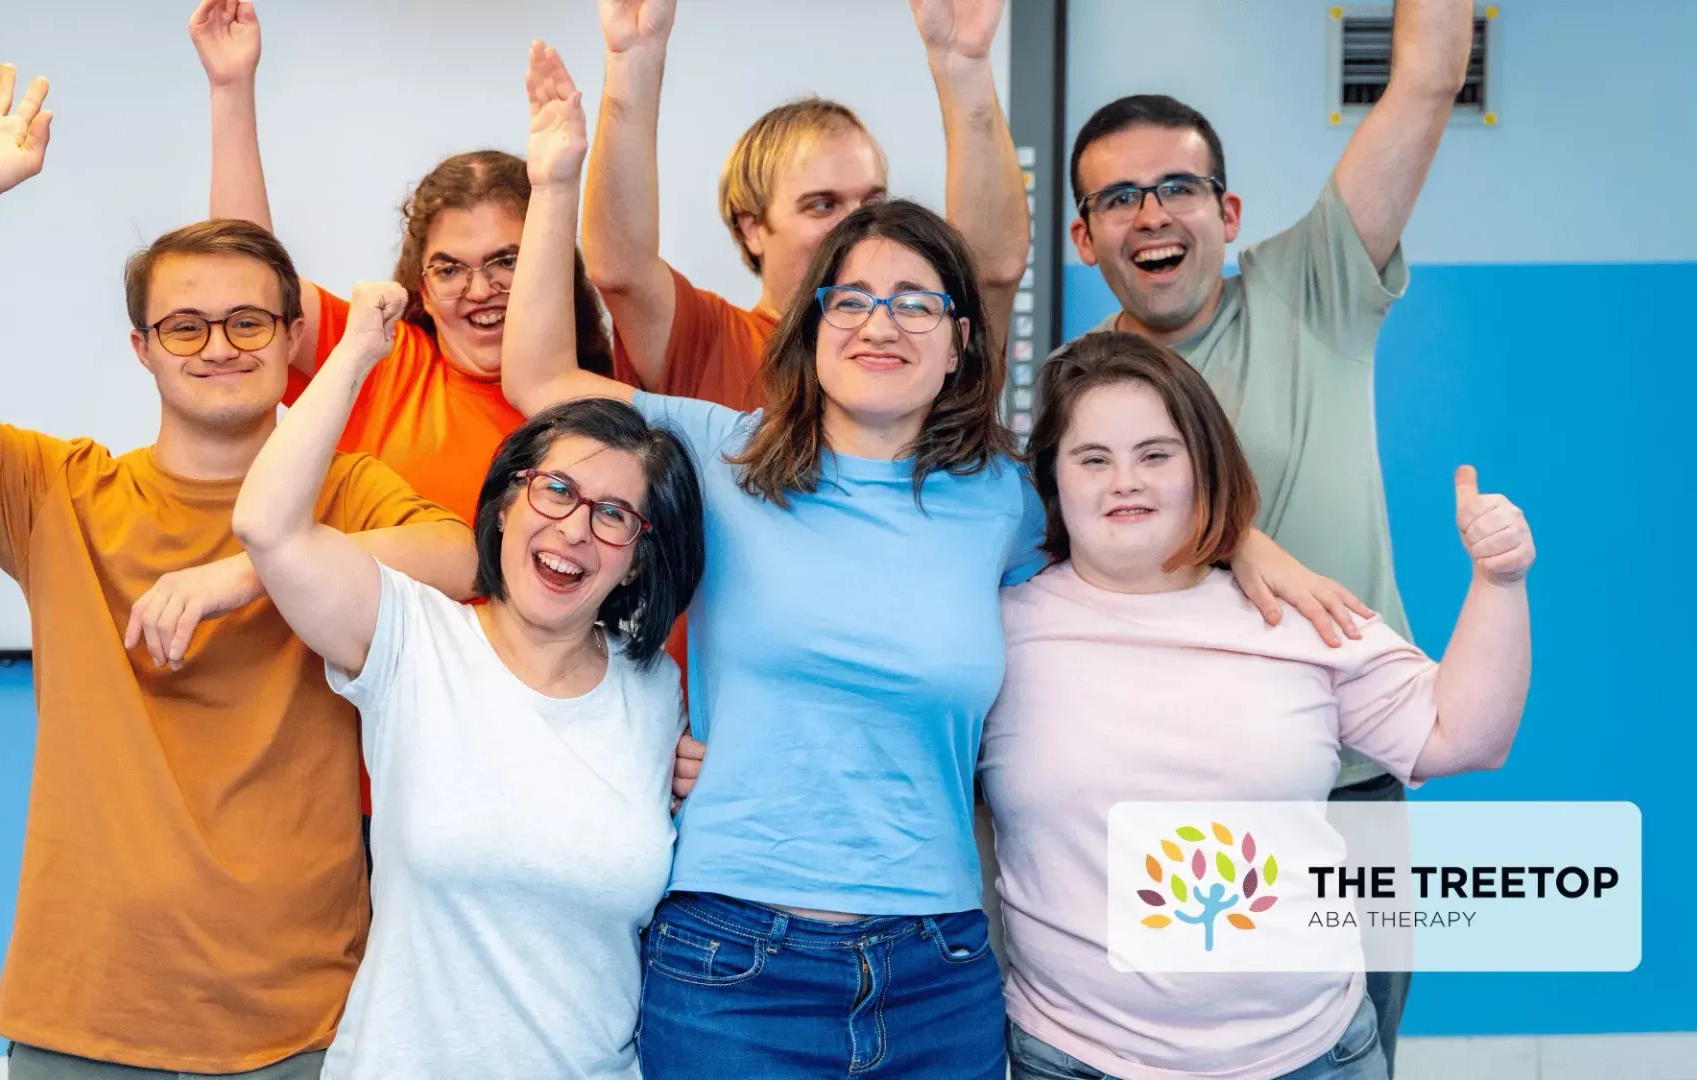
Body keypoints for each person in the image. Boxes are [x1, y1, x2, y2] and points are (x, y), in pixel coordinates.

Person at [504, 44, 1364, 1079]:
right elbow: (541, 379)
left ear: (961, 343)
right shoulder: (722, 457)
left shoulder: (1005, 499)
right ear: (810, 328)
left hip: (939, 966)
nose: (881, 323)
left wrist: (1246, 539)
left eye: (916, 302)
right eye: (853, 299)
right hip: (733, 961)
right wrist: (556, 175)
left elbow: (1140, 501)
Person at [0, 60, 477, 1078]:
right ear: (142, 347)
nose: (218, 346)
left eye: (249, 322)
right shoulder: (60, 492)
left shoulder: (348, 493)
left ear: (289, 342)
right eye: (185, 325)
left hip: (306, 1023)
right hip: (83, 1015)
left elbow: (457, 554)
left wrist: (250, 570)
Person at [1064, 1, 1479, 1055]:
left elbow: (1427, 76)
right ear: (1085, 236)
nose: (1150, 214)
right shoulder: (1083, 393)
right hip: (1168, 804)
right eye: (1118, 197)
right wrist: (1233, 535)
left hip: (1349, 784)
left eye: (1177, 188)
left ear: (1228, 209)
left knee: (1353, 1051)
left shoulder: (1315, 289)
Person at [982, 331, 1533, 1080]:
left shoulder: (1296, 613)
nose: (1125, 481)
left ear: (1202, 465)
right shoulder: (996, 634)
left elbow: (1462, 736)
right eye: (1093, 458)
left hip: (1311, 1055)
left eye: (1155, 453)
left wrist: (1498, 581)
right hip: (1075, 1056)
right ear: (1051, 477)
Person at [232, 273, 705, 1078]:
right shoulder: (414, 637)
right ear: (507, 502)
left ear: (635, 560)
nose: (573, 530)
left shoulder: (659, 695)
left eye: (613, 514)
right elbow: (267, 529)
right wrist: (353, 356)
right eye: (556, 490)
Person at [188, 0, 625, 828]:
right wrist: (230, 88)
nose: (480, 289)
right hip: (391, 787)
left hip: (562, 776)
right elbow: (246, 275)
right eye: (449, 268)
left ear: (547, 263)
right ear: (420, 283)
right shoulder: (384, 363)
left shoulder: (601, 396)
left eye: (507, 260)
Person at [583, 0, 1030, 412]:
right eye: (822, 205)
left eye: (872, 201)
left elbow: (988, 272)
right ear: (752, 227)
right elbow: (621, 270)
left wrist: (965, 72)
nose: (856, 223)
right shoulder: (714, 339)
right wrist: (632, 64)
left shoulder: (919, 344)